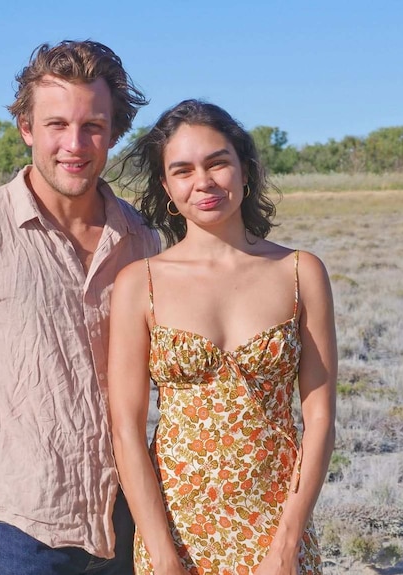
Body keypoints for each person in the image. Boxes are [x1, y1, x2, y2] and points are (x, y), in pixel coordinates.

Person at [0, 40, 159, 575]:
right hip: (27, 529)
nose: (75, 143)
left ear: (114, 132)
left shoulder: (139, 237)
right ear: (26, 127)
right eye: (56, 125)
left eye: (93, 125)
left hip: (130, 513)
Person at [108, 100, 337, 575]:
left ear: (245, 170)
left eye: (217, 163)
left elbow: (319, 418)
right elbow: (126, 430)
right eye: (183, 170)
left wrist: (287, 545)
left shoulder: (300, 272)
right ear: (167, 189)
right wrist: (163, 556)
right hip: (176, 527)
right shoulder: (139, 283)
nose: (204, 182)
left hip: (277, 523)